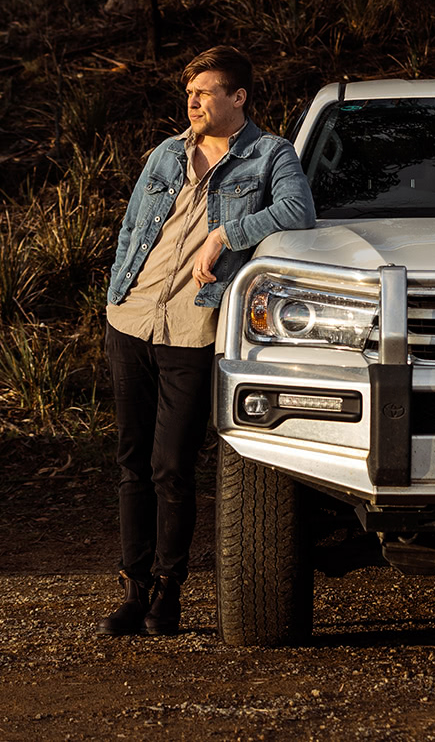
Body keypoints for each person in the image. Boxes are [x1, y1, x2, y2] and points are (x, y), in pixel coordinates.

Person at [100, 46, 315, 636]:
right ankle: (133, 587)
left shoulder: (270, 155)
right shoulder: (167, 154)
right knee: (131, 461)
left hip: (195, 327)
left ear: (238, 97)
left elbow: (298, 212)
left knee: (172, 465)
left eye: (205, 92)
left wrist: (228, 233)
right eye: (189, 92)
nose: (191, 102)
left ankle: (169, 591)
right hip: (134, 317)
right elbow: (130, 229)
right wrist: (117, 294)